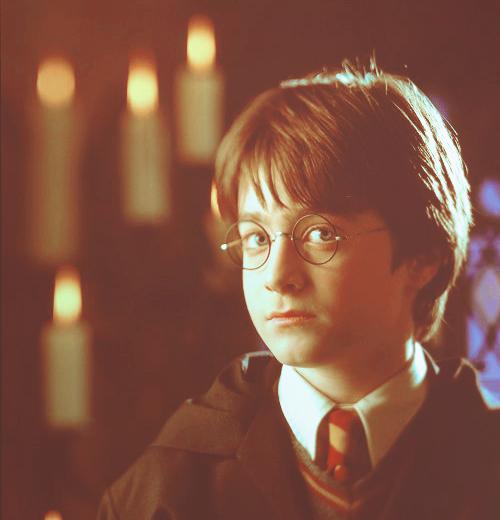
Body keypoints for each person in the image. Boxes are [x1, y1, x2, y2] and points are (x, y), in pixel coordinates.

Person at [97, 61, 499, 519]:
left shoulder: (486, 462)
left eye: (321, 234)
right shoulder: (169, 488)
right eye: (256, 237)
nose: (277, 275)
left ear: (423, 258)